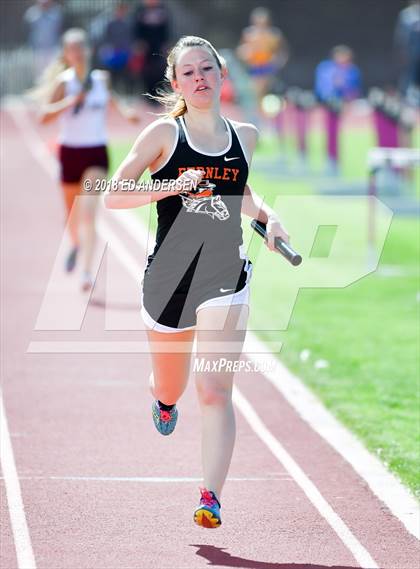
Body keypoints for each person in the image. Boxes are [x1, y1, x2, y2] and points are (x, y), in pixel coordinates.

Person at [105, 35, 290, 528]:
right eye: (188, 72)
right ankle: (163, 401)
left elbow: (242, 190)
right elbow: (113, 194)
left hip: (223, 274)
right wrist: (171, 185)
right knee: (173, 383)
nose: (200, 78)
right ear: (175, 82)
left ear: (222, 73)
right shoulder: (164, 135)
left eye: (207, 68)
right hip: (169, 279)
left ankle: (210, 495)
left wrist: (270, 218)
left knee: (213, 389)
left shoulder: (244, 135)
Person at [37, 28, 139, 291]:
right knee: (71, 215)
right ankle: (76, 244)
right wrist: (70, 101)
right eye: (72, 49)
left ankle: (86, 271)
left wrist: (127, 114)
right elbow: (44, 117)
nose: (78, 53)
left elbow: (112, 101)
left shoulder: (100, 80)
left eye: (82, 48)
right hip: (70, 152)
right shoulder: (64, 82)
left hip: (95, 153)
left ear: (87, 51)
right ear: (66, 54)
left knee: (89, 213)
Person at [314, 45, 362, 174]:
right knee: (329, 132)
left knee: (342, 133)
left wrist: (346, 99)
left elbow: (354, 89)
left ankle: (336, 161)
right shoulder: (325, 68)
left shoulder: (352, 70)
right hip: (329, 105)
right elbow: (322, 87)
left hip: (343, 105)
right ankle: (331, 160)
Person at [236, 7, 289, 112]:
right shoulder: (248, 34)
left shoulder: (274, 34)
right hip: (254, 67)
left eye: (263, 21)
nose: (260, 23)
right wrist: (244, 53)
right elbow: (240, 50)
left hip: (269, 67)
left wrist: (278, 62)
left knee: (267, 92)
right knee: (255, 92)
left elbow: (283, 51)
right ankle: (258, 116)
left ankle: (266, 117)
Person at [23, 0, 63, 81]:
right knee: (39, 76)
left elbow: (61, 30)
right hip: (38, 50)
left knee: (54, 73)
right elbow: (27, 31)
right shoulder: (31, 14)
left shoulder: (57, 14)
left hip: (53, 49)